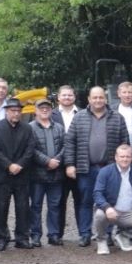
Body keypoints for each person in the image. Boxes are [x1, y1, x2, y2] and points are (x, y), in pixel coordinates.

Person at [63, 85, 128, 247]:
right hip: (86, 168)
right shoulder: (79, 117)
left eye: (101, 97)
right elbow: (70, 142)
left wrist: (122, 164)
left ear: (105, 99)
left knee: (110, 202)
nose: (98, 100)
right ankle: (85, 234)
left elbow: (125, 142)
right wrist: (70, 164)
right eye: (95, 97)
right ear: (89, 99)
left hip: (110, 168)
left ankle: (106, 234)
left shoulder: (117, 117)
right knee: (85, 201)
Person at [0, 97, 36, 250]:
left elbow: (30, 149)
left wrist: (20, 164)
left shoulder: (27, 128)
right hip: (2, 174)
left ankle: (22, 238)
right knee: (1, 208)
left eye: (18, 111)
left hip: (22, 174)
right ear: (6, 111)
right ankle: (0, 238)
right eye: (12, 110)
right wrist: (8, 165)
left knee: (23, 208)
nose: (16, 113)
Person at [91, 143, 132, 254]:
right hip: (111, 210)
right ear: (116, 157)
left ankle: (123, 235)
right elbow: (97, 193)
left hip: (129, 212)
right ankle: (101, 240)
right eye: (122, 156)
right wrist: (107, 207)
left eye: (127, 156)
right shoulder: (105, 171)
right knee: (99, 215)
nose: (125, 159)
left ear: (131, 158)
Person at [27, 97, 65, 246]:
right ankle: (36, 235)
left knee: (54, 206)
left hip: (56, 174)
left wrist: (56, 161)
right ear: (35, 111)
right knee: (36, 206)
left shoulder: (59, 127)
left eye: (47, 108)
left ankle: (53, 234)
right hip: (37, 174)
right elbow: (30, 149)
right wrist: (47, 161)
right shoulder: (29, 128)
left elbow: (65, 146)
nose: (44, 110)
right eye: (41, 107)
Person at [53, 84, 82, 242]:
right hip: (57, 165)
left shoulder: (83, 113)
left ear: (74, 97)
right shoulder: (51, 114)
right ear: (58, 97)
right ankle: (57, 234)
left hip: (79, 164)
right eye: (64, 95)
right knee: (59, 201)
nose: (67, 98)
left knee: (81, 200)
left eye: (70, 95)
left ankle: (84, 233)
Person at [114, 80, 132, 145]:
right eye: (124, 92)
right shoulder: (111, 110)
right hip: (117, 147)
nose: (127, 95)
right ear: (119, 94)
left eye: (130, 92)